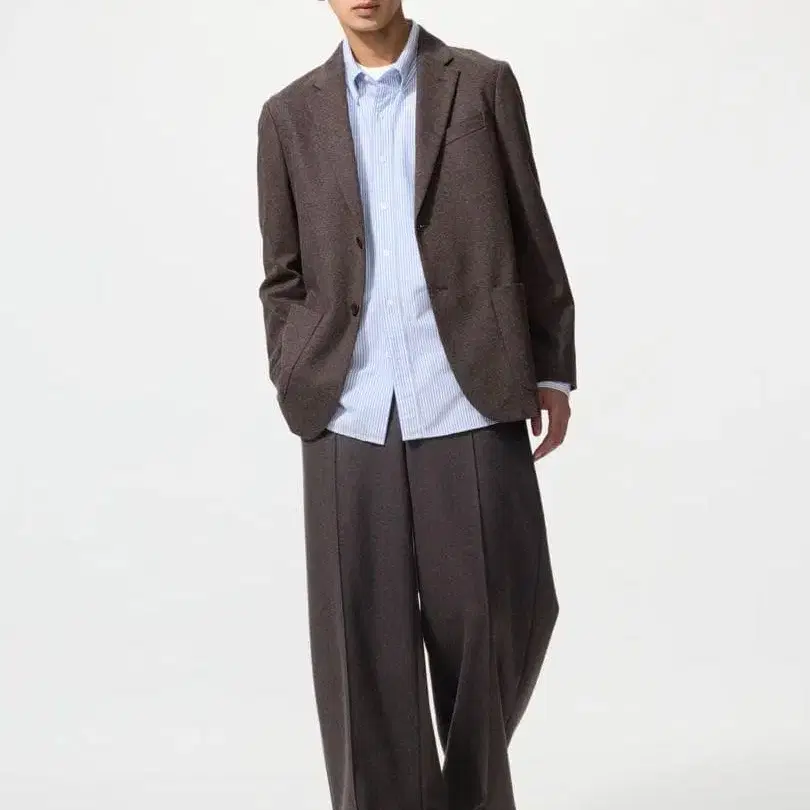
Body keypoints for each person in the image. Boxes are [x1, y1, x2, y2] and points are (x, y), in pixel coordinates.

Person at [255, 2, 576, 809]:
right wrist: (295, 367)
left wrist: (552, 365)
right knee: (362, 652)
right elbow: (281, 274)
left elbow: (530, 226)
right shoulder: (288, 116)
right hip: (349, 408)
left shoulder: (481, 84)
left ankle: (467, 793)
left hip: (466, 391)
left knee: (505, 616)